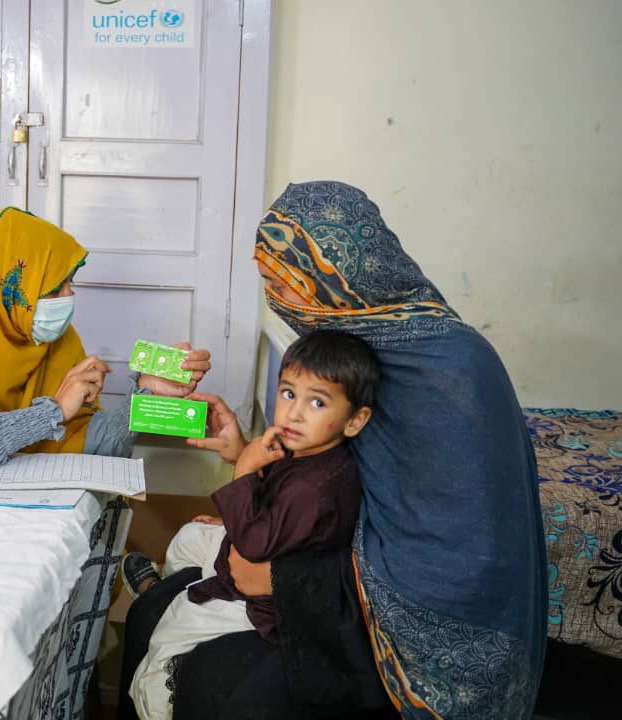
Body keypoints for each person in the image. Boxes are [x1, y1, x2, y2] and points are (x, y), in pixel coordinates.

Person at [120, 181, 546, 720]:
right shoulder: (368, 345)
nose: (276, 299)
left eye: (284, 282)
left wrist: (270, 555)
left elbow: (450, 561)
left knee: (210, 677)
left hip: (418, 639)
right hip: (322, 556)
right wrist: (245, 457)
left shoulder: (448, 372)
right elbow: (338, 478)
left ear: (336, 273)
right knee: (163, 605)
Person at [125, 330, 379, 720]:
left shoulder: (318, 488)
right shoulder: (307, 451)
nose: (295, 412)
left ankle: (154, 703)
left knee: (166, 634)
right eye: (289, 393)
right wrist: (241, 455)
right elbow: (270, 504)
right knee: (190, 537)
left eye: (317, 402)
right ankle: (166, 579)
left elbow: (254, 548)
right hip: (262, 543)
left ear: (354, 420)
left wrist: (242, 473)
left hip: (260, 601)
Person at [0, 206, 212, 472]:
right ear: (10, 287)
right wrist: (53, 412)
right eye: (53, 287)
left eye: (69, 283)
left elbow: (97, 447)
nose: (68, 296)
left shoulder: (56, 340)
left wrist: (148, 394)